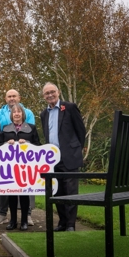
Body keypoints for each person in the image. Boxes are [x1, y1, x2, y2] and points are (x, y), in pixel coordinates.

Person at [39, 82, 86, 232]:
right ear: (43, 96)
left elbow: (80, 130)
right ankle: (62, 223)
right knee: (57, 192)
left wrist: (77, 149)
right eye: (47, 93)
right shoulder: (43, 114)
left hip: (69, 156)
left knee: (71, 192)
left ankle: (71, 225)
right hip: (53, 160)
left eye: (52, 92)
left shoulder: (69, 108)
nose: (50, 95)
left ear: (58, 92)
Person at [0, 89, 37, 226]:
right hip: (8, 165)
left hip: (26, 166)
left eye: (14, 96)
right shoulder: (2, 121)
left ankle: (26, 217)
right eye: (9, 96)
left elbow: (37, 144)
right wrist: (6, 144)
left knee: (25, 192)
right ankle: (8, 217)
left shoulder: (30, 122)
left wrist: (28, 144)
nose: (16, 114)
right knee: (8, 191)